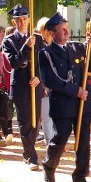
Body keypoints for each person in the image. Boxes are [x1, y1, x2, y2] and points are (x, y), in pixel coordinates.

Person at [38, 12, 91, 182]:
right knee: (60, 138)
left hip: (82, 103)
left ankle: (80, 177)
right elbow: (50, 81)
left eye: (66, 28)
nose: (66, 31)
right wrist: (75, 91)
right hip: (63, 104)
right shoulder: (46, 54)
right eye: (61, 29)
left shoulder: (77, 48)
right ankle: (49, 166)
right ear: (52, 33)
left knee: (84, 141)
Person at [2, 5, 44, 169]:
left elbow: (44, 62)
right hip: (20, 87)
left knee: (35, 122)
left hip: (35, 85)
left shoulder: (38, 38)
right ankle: (31, 157)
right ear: (14, 22)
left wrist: (39, 77)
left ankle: (28, 152)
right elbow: (14, 63)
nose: (22, 22)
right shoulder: (9, 41)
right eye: (18, 20)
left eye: (24, 19)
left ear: (29, 20)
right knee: (25, 122)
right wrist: (26, 47)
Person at [34, 17, 55, 145]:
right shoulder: (39, 47)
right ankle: (50, 143)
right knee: (47, 117)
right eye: (46, 30)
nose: (49, 32)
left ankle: (55, 141)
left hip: (56, 87)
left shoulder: (56, 45)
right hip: (44, 87)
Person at [0, 24, 14, 144]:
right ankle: (3, 132)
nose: (1, 33)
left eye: (2, 31)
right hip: (0, 82)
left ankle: (8, 131)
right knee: (1, 108)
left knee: (7, 107)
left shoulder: (6, 47)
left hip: (8, 81)